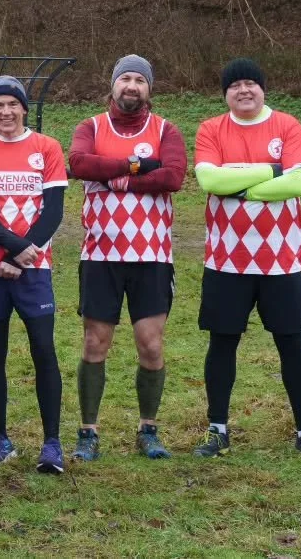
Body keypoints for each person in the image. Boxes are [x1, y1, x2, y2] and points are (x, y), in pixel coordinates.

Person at [190, 59, 301, 464]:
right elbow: (210, 181)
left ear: (262, 89)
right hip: (226, 260)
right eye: (235, 85)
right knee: (222, 343)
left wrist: (242, 189)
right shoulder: (211, 129)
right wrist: (272, 172)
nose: (244, 90)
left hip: (282, 260)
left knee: (292, 344)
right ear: (225, 94)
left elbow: (299, 182)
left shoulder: (287, 126)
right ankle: (218, 430)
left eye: (251, 83)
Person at [67, 55, 186, 461]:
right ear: (113, 84)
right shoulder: (91, 127)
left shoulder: (166, 130)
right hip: (101, 254)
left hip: (152, 255)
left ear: (149, 88)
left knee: (150, 345)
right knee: (94, 342)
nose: (131, 86)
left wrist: (115, 179)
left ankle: (148, 430)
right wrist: (136, 166)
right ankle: (88, 432)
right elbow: (80, 164)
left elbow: (173, 175)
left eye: (139, 79)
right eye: (125, 79)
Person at [0, 76, 68, 473]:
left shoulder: (47, 147)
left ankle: (52, 443)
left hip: (34, 268)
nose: (5, 112)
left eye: (12, 104)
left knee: (43, 350)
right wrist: (11, 250)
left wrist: (20, 257)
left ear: (23, 108)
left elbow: (53, 212)